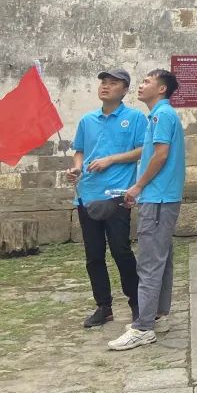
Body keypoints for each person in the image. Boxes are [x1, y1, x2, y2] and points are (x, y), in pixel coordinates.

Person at [108, 69, 186, 351]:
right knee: (161, 259)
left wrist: (138, 186)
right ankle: (157, 315)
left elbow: (161, 155)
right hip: (162, 196)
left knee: (150, 262)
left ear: (162, 89)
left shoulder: (161, 115)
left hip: (159, 197)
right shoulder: (161, 115)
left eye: (147, 82)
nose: (140, 86)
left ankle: (143, 327)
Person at [67, 69, 147, 328]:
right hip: (87, 194)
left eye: (113, 83)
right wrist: (76, 168)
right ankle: (104, 306)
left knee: (121, 250)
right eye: (103, 82)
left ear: (124, 90)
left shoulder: (135, 118)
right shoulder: (87, 120)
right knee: (93, 255)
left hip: (117, 195)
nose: (106, 86)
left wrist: (111, 159)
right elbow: (80, 151)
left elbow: (143, 150)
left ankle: (137, 303)